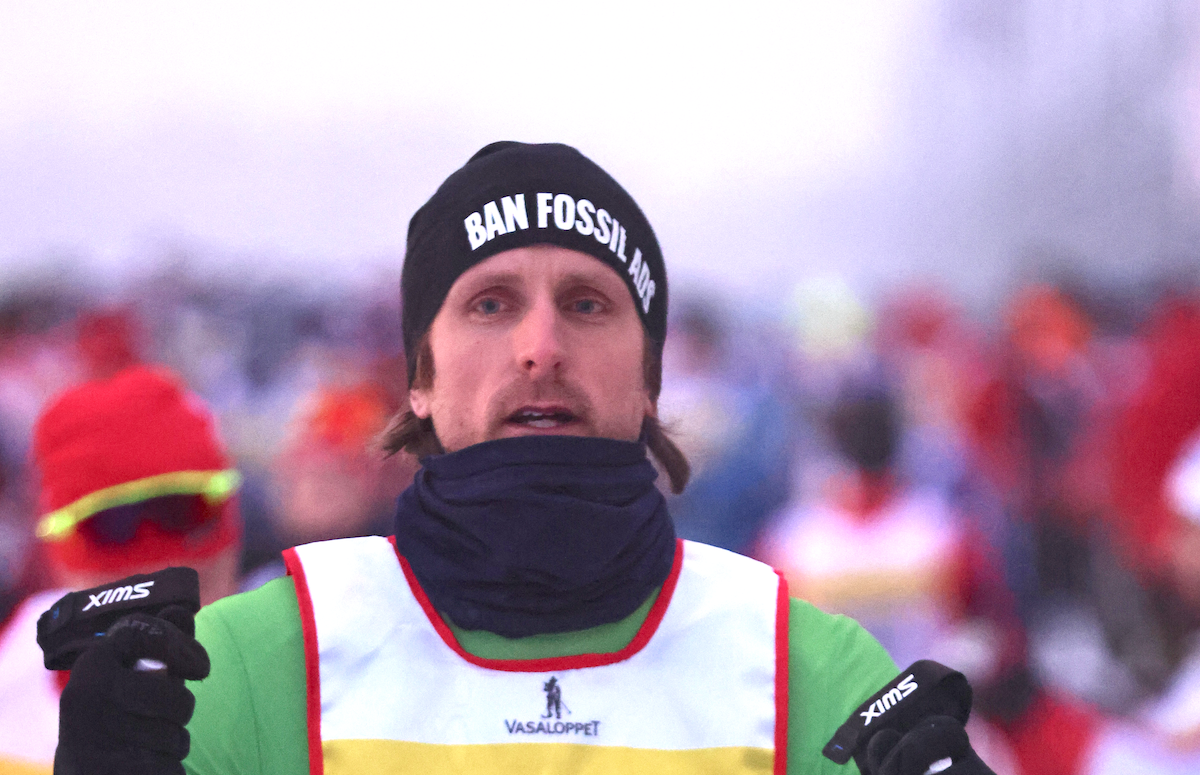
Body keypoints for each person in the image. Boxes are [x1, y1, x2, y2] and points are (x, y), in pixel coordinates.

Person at [54, 142, 995, 775]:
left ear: (652, 377)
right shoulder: (250, 666)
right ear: (418, 374)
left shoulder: (805, 669)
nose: (540, 346)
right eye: (491, 303)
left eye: (587, 303)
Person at [0, 365, 243, 774]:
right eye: (110, 524)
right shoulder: (11, 688)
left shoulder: (311, 657)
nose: (158, 560)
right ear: (54, 544)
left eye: (181, 510)